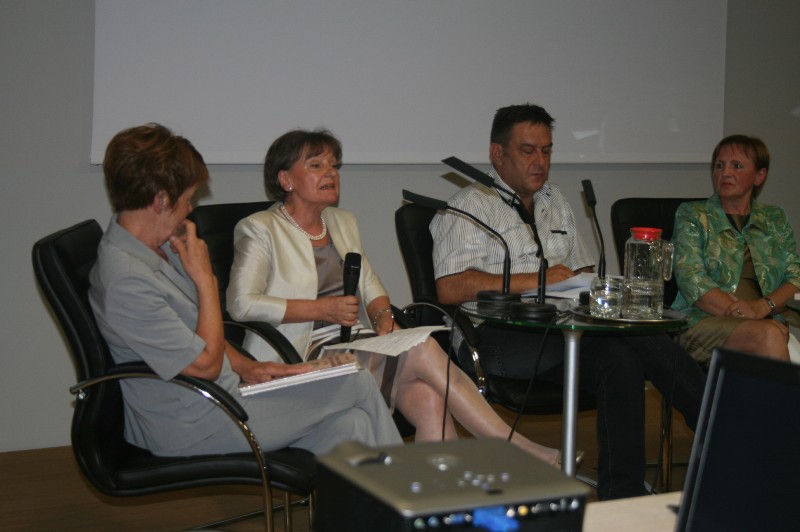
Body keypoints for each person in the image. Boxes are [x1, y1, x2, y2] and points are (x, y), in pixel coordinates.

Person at [226, 128, 565, 465]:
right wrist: (321, 309)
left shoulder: (342, 221)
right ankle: (513, 447)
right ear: (286, 179)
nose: (330, 173)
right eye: (316, 166)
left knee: (430, 398)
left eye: (334, 165)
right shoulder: (259, 228)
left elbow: (371, 285)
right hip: (298, 355)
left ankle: (436, 492)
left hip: (353, 342)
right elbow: (242, 304)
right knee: (422, 347)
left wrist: (383, 318)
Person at [430, 103, 707, 500]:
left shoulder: (555, 200)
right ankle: (720, 428)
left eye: (547, 150)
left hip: (562, 331)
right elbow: (450, 287)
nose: (540, 162)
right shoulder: (468, 205)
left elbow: (580, 273)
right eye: (528, 150)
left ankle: (622, 496)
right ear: (497, 154)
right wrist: (537, 279)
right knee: (634, 343)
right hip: (498, 338)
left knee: (622, 356)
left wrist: (593, 287)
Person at [89, 123, 403, 458]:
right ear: (161, 199)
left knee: (352, 425)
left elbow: (191, 335)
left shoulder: (157, 247)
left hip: (224, 396)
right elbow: (205, 365)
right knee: (356, 380)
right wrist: (206, 282)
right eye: (188, 199)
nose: (190, 209)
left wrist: (247, 367)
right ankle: (412, 488)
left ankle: (375, 491)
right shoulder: (127, 280)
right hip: (193, 421)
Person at [671, 134, 800, 367]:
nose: (725, 173)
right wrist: (750, 316)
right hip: (703, 323)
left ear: (759, 176)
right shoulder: (693, 215)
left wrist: (763, 307)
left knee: (772, 335)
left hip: (766, 319)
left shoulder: (775, 218)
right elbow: (691, 279)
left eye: (737, 166)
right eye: (719, 166)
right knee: (769, 335)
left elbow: (795, 277)